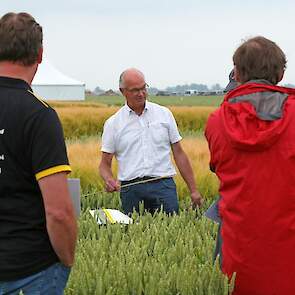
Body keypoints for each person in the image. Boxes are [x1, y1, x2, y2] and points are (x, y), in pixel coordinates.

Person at [205, 36, 295, 295]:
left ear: (238, 73)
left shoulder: (217, 122)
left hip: (238, 255)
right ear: (280, 73)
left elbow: (218, 166)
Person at [0, 12, 77, 294]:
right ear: (40, 54)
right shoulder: (38, 116)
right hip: (30, 270)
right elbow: (58, 211)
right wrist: (67, 259)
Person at [99, 68, 202, 215]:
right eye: (135, 90)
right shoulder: (113, 123)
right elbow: (104, 164)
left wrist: (194, 190)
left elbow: (179, 153)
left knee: (169, 232)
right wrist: (109, 179)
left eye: (143, 88)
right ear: (123, 91)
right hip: (131, 190)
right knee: (135, 234)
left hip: (164, 186)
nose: (141, 93)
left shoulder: (164, 114)